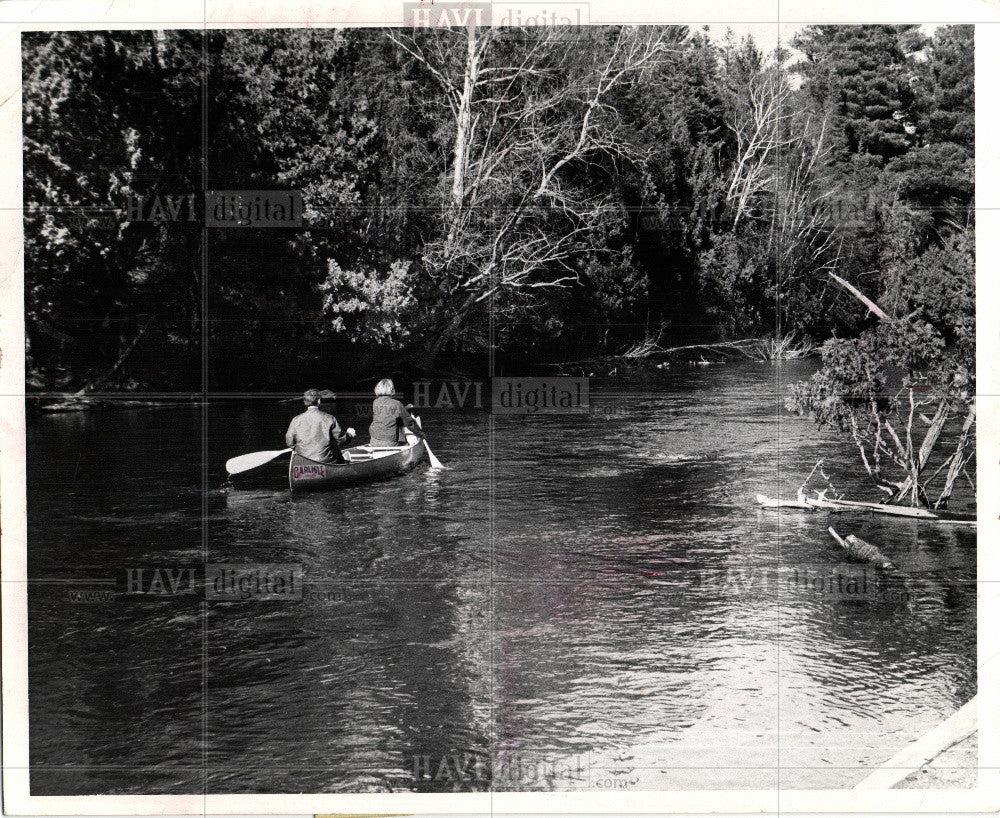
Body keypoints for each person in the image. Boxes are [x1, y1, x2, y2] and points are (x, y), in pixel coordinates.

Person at [285, 389, 355, 463]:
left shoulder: (295, 420)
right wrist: (349, 435)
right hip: (326, 460)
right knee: (336, 448)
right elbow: (340, 441)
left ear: (305, 402)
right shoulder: (329, 418)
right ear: (319, 401)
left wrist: (300, 449)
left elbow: (289, 442)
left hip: (304, 461)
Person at [369, 378, 425, 447]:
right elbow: (409, 423)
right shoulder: (397, 404)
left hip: (374, 441)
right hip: (390, 443)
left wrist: (405, 409)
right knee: (401, 422)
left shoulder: (375, 402)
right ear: (392, 390)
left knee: (395, 421)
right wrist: (421, 434)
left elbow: (387, 414)